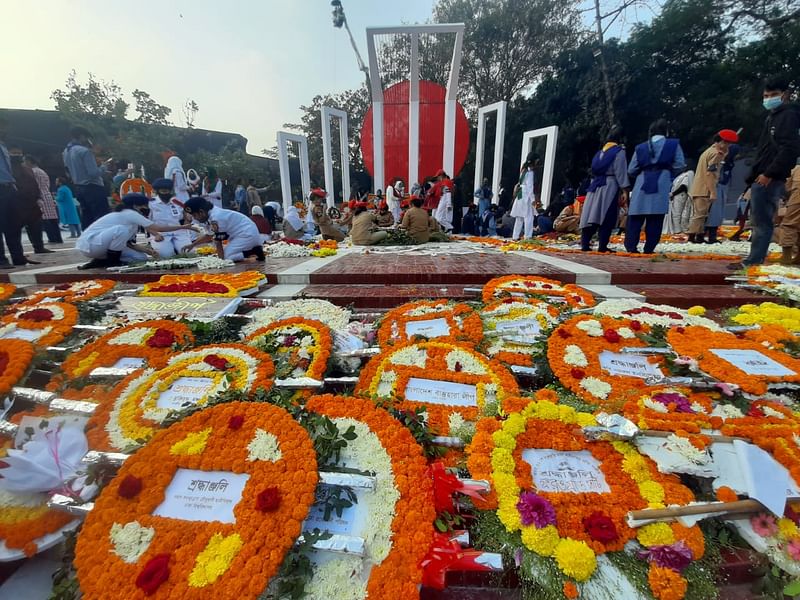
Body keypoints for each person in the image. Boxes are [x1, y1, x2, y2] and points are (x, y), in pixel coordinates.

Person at [733, 77, 800, 268]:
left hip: (770, 176)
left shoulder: (787, 116)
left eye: (774, 95)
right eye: (766, 96)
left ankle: (754, 261)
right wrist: (752, 176)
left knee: (762, 221)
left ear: (785, 95)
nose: (769, 99)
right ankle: (753, 259)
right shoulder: (773, 116)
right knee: (758, 219)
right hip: (762, 174)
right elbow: (764, 150)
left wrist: (769, 174)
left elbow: (789, 149)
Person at [77, 193, 191, 269]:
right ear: (136, 205)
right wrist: (183, 227)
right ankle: (112, 262)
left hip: (102, 247)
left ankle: (101, 261)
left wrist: (148, 251)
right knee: (120, 230)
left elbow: (128, 243)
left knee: (140, 258)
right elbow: (158, 228)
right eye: (144, 205)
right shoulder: (130, 213)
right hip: (91, 245)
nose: (146, 208)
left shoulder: (130, 218)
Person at [626, 119, 686, 253]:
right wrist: (668, 172)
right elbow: (680, 165)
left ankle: (631, 247)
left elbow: (631, 170)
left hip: (642, 181)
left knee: (636, 216)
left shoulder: (640, 147)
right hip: (662, 181)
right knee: (656, 217)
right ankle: (649, 248)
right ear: (666, 131)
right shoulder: (673, 144)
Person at [580, 128, 630, 252]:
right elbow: (620, 172)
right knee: (607, 216)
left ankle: (585, 244)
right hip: (609, 186)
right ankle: (602, 246)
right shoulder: (619, 152)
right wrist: (625, 190)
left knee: (591, 215)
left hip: (595, 186)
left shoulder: (599, 153)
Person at [687, 130, 737, 243]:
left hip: (699, 186)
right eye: (727, 144)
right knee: (700, 215)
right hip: (705, 188)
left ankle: (699, 237)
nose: (728, 147)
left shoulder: (710, 151)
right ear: (722, 142)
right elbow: (710, 174)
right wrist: (713, 192)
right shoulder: (716, 154)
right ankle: (692, 237)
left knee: (701, 214)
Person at [182, 197, 264, 261]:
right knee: (226, 255)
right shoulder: (211, 214)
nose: (195, 218)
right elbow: (209, 235)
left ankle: (255, 252)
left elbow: (218, 241)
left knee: (227, 257)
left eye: (195, 215)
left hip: (247, 235)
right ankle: (253, 250)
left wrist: (221, 262)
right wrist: (192, 245)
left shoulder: (216, 218)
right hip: (245, 234)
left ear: (201, 212)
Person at [62, 126, 112, 227]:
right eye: (87, 138)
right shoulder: (84, 151)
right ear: (82, 136)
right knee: (102, 217)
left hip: (79, 187)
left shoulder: (66, 152)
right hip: (93, 187)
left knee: (87, 216)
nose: (87, 141)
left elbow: (67, 170)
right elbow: (93, 173)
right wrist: (103, 167)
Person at [148, 178, 193, 258]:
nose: (166, 193)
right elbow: (145, 223)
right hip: (160, 234)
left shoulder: (177, 202)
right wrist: (155, 235)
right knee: (165, 255)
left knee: (190, 253)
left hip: (179, 233)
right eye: (163, 191)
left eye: (168, 191)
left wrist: (188, 221)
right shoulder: (151, 204)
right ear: (157, 191)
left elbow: (186, 219)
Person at [24, 155, 63, 244]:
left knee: (45, 219)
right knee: (53, 219)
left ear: (29, 161)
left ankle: (52, 239)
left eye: (25, 161)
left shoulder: (33, 172)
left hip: (40, 196)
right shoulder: (42, 171)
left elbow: (34, 185)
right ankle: (58, 238)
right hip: (47, 195)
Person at [708, 141, 740, 243]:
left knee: (718, 213)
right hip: (716, 187)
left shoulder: (729, 163)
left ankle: (712, 234)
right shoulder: (720, 160)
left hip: (722, 188)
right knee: (714, 213)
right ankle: (710, 235)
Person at [510, 153, 538, 240]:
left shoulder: (523, 170)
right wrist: (533, 199)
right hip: (526, 195)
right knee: (528, 216)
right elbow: (530, 187)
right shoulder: (530, 172)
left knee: (519, 217)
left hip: (520, 194)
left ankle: (515, 236)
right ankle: (528, 236)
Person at [779, 158, 800, 264]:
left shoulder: (796, 168)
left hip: (798, 198)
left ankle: (786, 258)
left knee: (789, 225)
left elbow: (786, 188)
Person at [667, 167, 694, 234]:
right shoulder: (681, 175)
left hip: (680, 195)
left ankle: (678, 230)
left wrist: (673, 193)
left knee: (677, 213)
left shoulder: (688, 175)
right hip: (677, 195)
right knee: (675, 213)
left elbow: (684, 187)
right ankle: (676, 229)